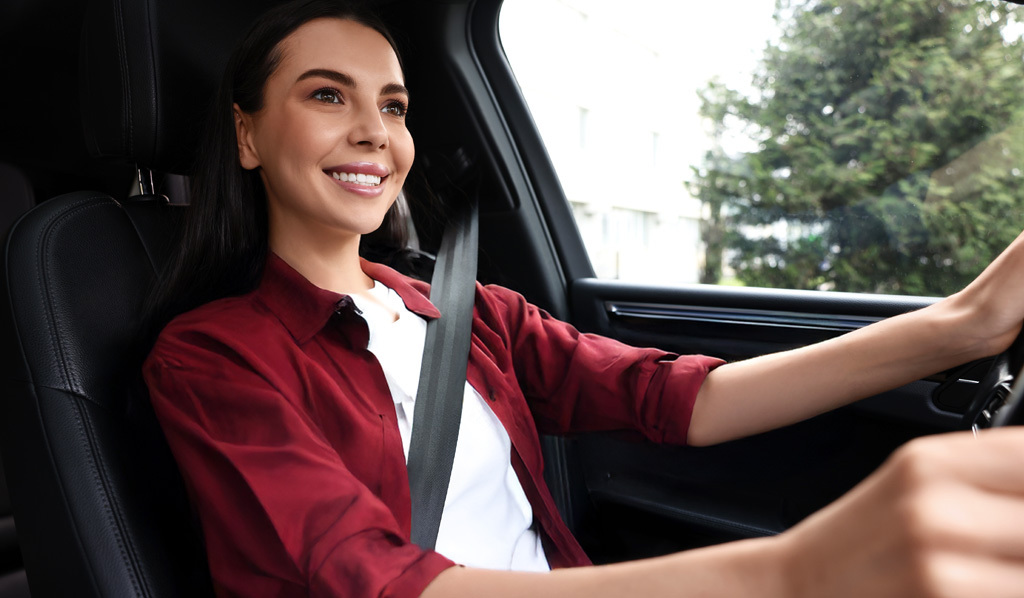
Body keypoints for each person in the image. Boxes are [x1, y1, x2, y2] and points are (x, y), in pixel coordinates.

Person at [142, 0, 1024, 596]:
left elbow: (686, 398)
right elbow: (380, 584)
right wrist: (795, 571)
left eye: (397, 106)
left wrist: (961, 324)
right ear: (249, 133)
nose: (375, 130)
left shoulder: (472, 314)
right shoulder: (211, 358)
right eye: (328, 96)